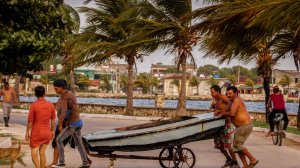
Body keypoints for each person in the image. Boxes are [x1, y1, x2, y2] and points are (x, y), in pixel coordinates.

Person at [51, 79, 90, 168]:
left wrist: (60, 124)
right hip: (78, 122)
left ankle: (61, 162)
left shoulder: (65, 96)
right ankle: (85, 162)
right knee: (79, 144)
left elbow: (64, 111)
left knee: (58, 140)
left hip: (73, 124)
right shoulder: (70, 94)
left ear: (62, 87)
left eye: (56, 88)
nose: (55, 90)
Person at [217, 86, 258, 168]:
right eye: (227, 94)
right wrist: (219, 111)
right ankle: (245, 165)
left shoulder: (237, 100)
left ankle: (253, 159)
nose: (228, 95)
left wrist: (221, 114)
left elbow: (232, 113)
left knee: (237, 145)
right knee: (237, 147)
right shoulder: (231, 101)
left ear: (236, 93)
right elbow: (227, 110)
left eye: (230, 93)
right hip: (240, 127)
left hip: (245, 126)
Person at [26, 86, 56, 168]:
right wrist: (52, 131)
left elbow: (30, 121)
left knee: (34, 154)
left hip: (36, 133)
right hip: (47, 133)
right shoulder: (51, 105)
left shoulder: (34, 105)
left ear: (35, 94)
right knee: (42, 153)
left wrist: (27, 132)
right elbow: (53, 121)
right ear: (44, 93)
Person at [210, 85, 239, 168]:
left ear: (218, 91)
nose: (211, 94)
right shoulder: (215, 100)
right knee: (219, 145)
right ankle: (229, 160)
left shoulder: (224, 98)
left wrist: (219, 111)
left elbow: (232, 106)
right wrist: (214, 110)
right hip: (219, 126)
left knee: (229, 146)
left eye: (212, 92)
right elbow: (215, 109)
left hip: (228, 124)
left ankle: (235, 163)